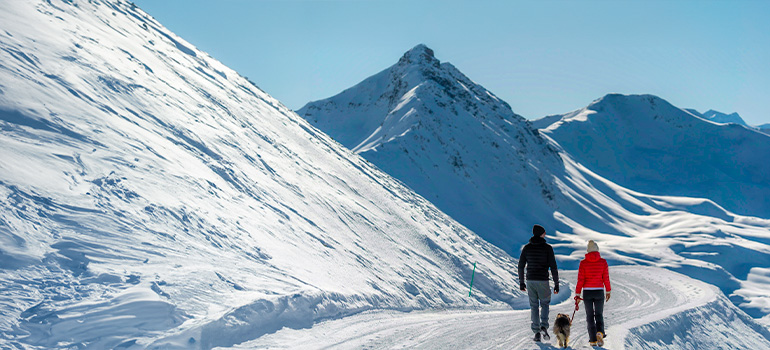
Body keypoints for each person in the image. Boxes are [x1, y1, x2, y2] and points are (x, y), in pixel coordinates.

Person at [518, 224, 559, 342]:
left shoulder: (526, 248)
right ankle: (543, 326)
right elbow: (553, 267)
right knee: (545, 304)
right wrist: (556, 283)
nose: (545, 234)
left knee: (534, 306)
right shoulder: (548, 248)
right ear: (541, 234)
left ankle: (536, 332)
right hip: (543, 281)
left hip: (530, 280)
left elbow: (521, 266)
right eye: (544, 233)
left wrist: (522, 282)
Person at [575, 240, 611, 347]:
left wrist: (577, 294)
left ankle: (592, 339)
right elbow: (606, 278)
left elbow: (580, 279)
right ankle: (600, 332)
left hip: (587, 292)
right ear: (597, 250)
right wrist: (608, 290)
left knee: (590, 315)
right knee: (599, 314)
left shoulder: (583, 263)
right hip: (599, 291)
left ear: (587, 251)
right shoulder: (603, 262)